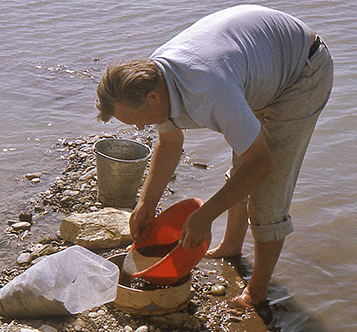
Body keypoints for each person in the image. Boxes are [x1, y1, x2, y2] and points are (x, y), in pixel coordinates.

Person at [95, 5, 333, 309]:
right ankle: (232, 246)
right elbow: (169, 143)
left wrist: (205, 216)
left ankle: (257, 294)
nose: (141, 127)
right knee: (244, 163)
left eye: (137, 120)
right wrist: (146, 203)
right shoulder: (155, 79)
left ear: (153, 97)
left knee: (267, 189)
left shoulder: (210, 90)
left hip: (303, 71)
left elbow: (261, 165)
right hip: (259, 65)